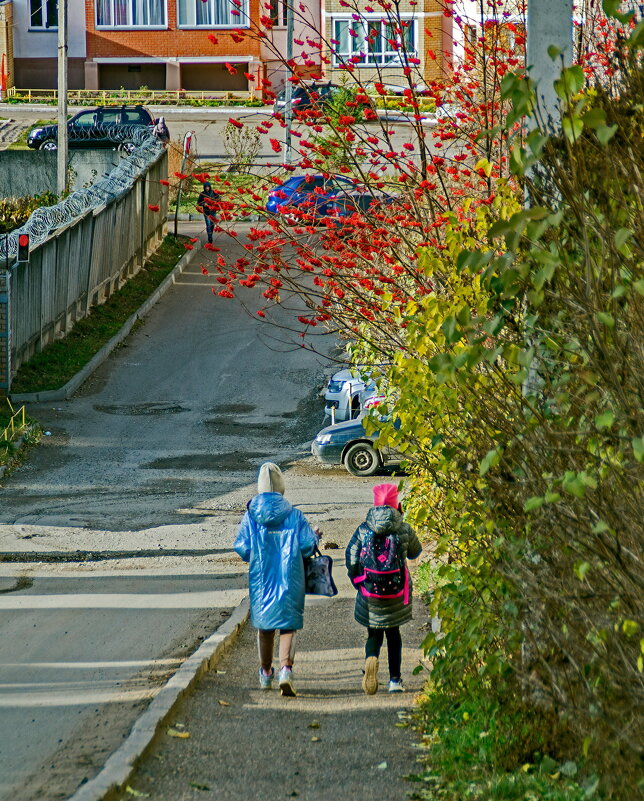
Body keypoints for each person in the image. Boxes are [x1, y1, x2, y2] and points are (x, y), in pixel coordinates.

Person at [234, 462, 320, 697]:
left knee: (265, 628)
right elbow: (305, 546)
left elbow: (242, 548)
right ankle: (286, 670)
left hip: (261, 581)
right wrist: (315, 538)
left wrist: (258, 556)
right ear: (282, 487)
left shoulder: (251, 517)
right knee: (288, 626)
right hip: (291, 578)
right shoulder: (295, 515)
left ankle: (265, 673)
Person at [345, 483, 422, 694]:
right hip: (396, 591)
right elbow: (416, 552)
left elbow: (351, 558)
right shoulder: (403, 528)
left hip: (370, 591)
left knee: (374, 632)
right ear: (396, 503)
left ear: (376, 503)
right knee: (394, 634)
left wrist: (357, 580)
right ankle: (395, 681)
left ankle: (371, 658)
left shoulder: (363, 529)